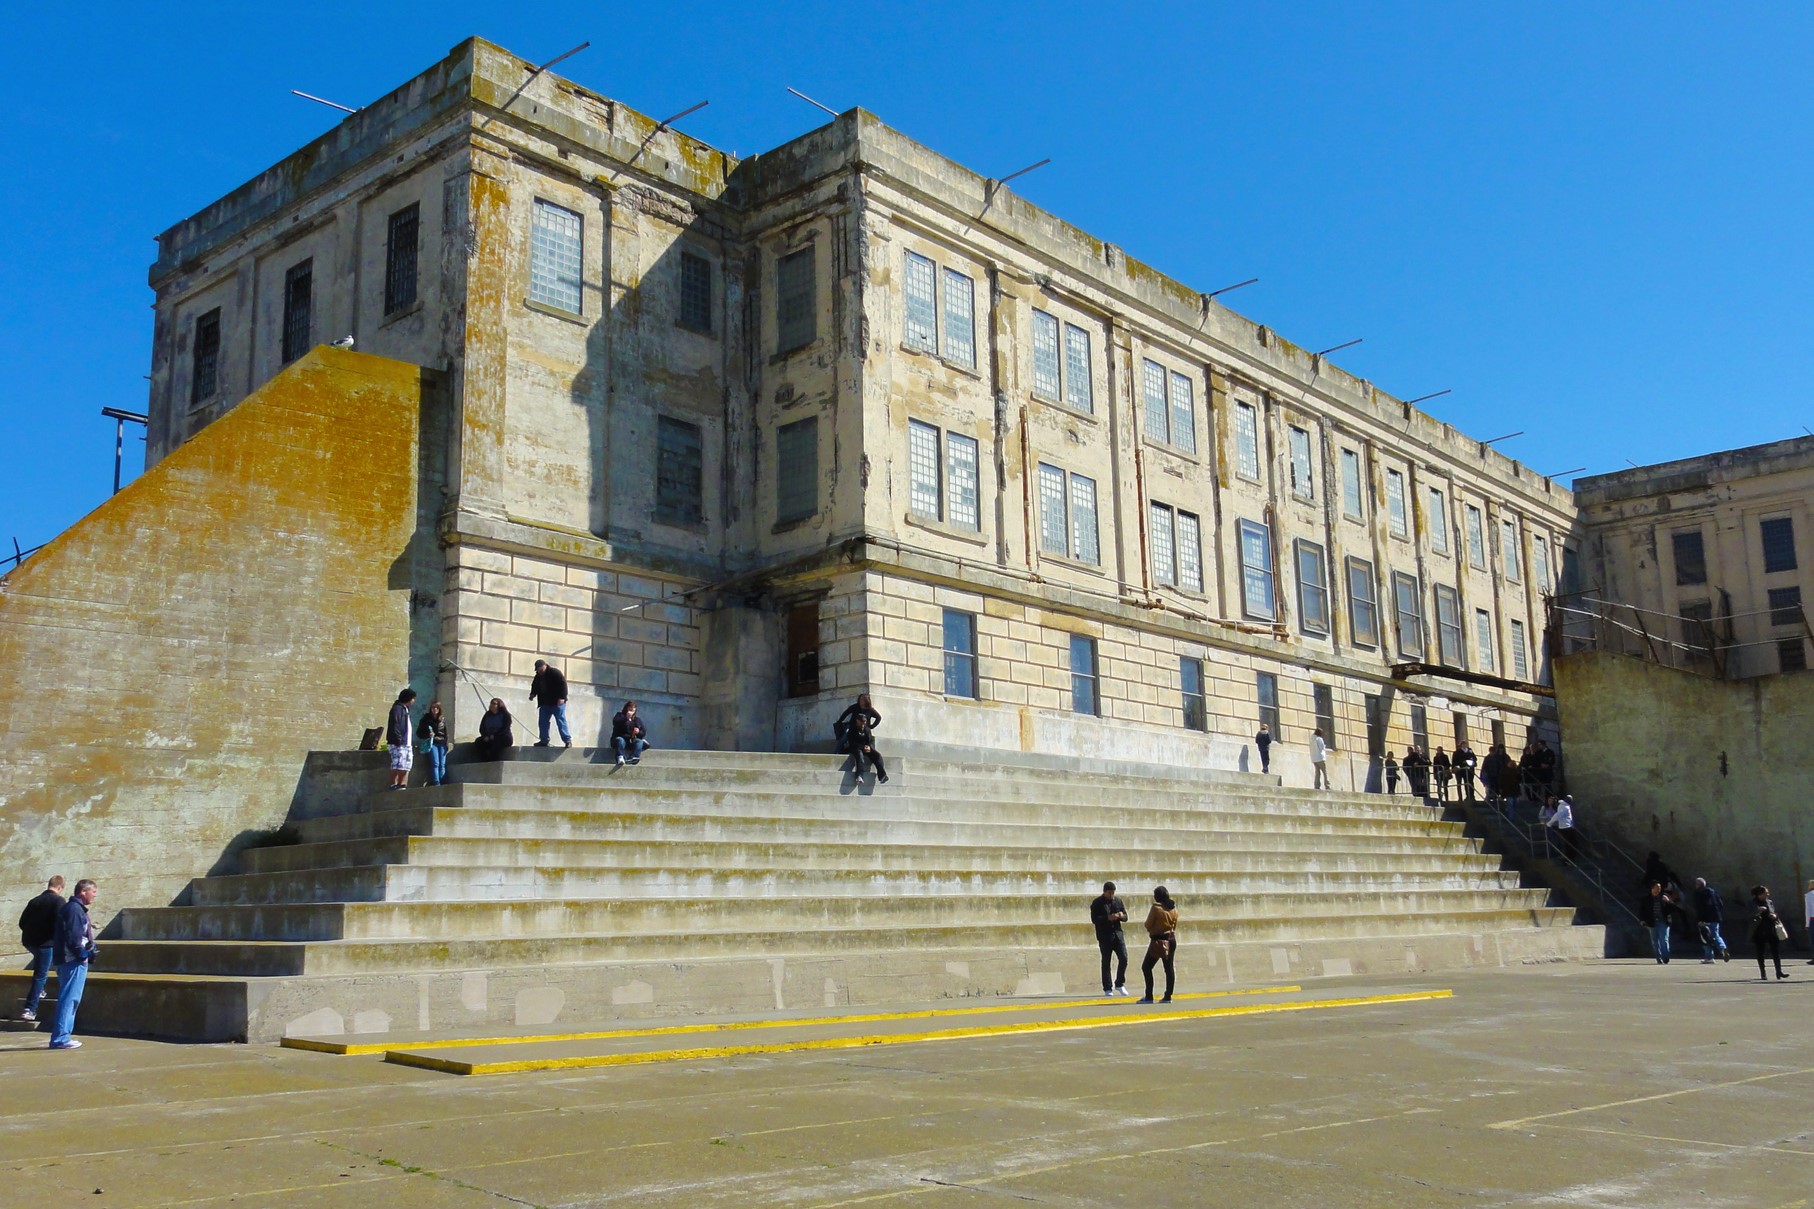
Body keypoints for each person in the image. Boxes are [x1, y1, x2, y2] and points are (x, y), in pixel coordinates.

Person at [49, 879, 97, 1050]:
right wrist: (85, 954)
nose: (94, 896)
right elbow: (75, 938)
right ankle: (61, 1038)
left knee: (71, 999)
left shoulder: (74, 909)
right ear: (83, 892)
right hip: (72, 961)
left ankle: (63, 1036)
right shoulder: (75, 910)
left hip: (70, 960)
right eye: (93, 892)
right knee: (69, 999)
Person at [16, 875, 65, 1023]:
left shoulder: (34, 901)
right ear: (60, 887)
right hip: (46, 943)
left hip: (29, 942)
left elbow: (22, 922)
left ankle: (41, 990)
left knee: (40, 969)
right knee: (40, 974)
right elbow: (60, 923)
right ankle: (30, 1009)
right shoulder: (59, 901)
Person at [1138, 885, 1179, 1004]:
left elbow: (1148, 924)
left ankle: (1149, 996)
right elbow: (1174, 926)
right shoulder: (1174, 909)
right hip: (1171, 939)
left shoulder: (1156, 908)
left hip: (1158, 941)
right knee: (1169, 968)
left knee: (1146, 967)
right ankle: (1168, 996)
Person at [1089, 881, 1129, 997]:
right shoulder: (1097, 903)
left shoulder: (1118, 901)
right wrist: (1108, 918)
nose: (1112, 895)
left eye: (1113, 893)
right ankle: (1107, 987)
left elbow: (1126, 917)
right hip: (1104, 936)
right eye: (1109, 893)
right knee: (1106, 961)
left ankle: (1119, 983)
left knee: (1124, 958)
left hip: (1117, 934)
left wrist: (1121, 916)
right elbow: (1094, 919)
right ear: (1104, 892)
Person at [1750, 885, 1789, 981]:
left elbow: (1774, 912)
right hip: (1759, 930)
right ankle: (1763, 973)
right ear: (1759, 894)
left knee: (1775, 951)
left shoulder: (1769, 902)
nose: (1768, 894)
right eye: (1765, 893)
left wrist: (1774, 916)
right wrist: (1758, 911)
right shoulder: (1753, 903)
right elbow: (1750, 914)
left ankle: (1779, 972)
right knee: (1760, 952)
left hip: (1771, 928)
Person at [529, 660, 571, 748]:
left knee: (560, 721)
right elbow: (535, 686)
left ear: (545, 666)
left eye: (540, 669)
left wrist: (562, 697)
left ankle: (567, 740)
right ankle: (544, 740)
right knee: (543, 722)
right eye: (538, 670)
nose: (539, 671)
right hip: (545, 703)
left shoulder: (554, 672)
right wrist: (532, 694)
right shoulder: (538, 676)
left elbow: (563, 684)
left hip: (557, 703)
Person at [1691, 878, 1732, 964]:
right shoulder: (1713, 892)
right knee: (1715, 935)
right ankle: (1723, 948)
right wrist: (1717, 913)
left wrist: (1699, 919)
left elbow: (1698, 907)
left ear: (1698, 885)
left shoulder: (1698, 893)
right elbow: (1720, 903)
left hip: (1704, 918)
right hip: (1715, 917)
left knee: (1705, 937)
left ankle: (1709, 957)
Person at [385, 688, 417, 790]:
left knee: (406, 765)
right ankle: (393, 784)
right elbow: (395, 725)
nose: (413, 701)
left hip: (406, 743)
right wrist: (398, 739)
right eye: (413, 698)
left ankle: (401, 783)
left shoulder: (405, 709)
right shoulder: (397, 709)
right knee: (397, 764)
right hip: (398, 743)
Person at [1639, 881, 1677, 964]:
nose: (1659, 889)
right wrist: (1642, 920)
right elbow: (1642, 911)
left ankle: (1665, 957)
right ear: (1652, 888)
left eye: (1660, 887)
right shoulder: (1646, 899)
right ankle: (1658, 957)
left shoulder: (1664, 897)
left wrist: (1668, 901)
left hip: (1663, 921)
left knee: (1664, 939)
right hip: (1651, 922)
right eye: (1657, 887)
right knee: (1654, 941)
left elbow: (1674, 909)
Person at [418, 700, 450, 787]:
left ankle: (442, 781)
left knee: (442, 764)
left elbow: (446, 733)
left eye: (437, 708)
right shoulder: (426, 719)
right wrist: (428, 734)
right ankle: (436, 782)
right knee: (435, 763)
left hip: (442, 743)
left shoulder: (442, 719)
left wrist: (447, 743)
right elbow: (419, 733)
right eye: (433, 707)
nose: (435, 709)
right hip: (432, 742)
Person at [611, 700, 650, 767]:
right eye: (630, 709)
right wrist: (626, 718)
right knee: (620, 740)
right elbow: (616, 723)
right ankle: (620, 757)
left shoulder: (637, 720)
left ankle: (634, 757)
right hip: (619, 739)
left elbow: (643, 733)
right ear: (626, 709)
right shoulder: (619, 715)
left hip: (631, 741)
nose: (631, 712)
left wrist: (638, 732)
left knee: (639, 741)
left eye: (633, 710)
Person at [1546, 795, 1580, 861]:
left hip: (1568, 827)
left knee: (1571, 843)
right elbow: (1557, 815)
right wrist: (1549, 823)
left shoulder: (1565, 806)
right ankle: (1569, 858)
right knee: (1572, 844)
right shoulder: (1564, 807)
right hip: (1566, 828)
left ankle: (1570, 857)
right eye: (1570, 800)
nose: (1571, 801)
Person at [1806, 879, 1814, 965]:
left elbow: (1808, 910)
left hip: (1813, 919)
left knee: (1813, 939)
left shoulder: (1809, 895)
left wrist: (1807, 923)